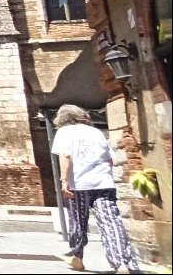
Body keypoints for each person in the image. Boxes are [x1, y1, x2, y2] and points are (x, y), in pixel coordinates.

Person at [51, 104, 140, 274]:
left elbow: (65, 156)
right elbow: (110, 160)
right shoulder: (96, 132)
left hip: (78, 185)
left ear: (62, 119)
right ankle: (121, 263)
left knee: (77, 221)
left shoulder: (64, 132)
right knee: (111, 223)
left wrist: (64, 181)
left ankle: (76, 255)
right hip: (104, 183)